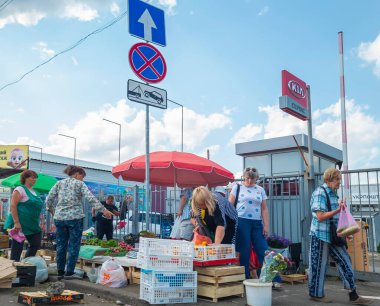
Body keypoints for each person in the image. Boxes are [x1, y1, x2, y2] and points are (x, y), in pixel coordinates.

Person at [308, 168, 373, 305]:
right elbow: (320, 216)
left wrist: (345, 233)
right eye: (337, 179)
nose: (339, 182)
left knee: (345, 262)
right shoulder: (320, 192)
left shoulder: (333, 194)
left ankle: (353, 295)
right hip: (320, 235)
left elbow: (336, 218)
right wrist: (338, 209)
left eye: (339, 180)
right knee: (318, 266)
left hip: (333, 236)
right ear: (328, 179)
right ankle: (316, 294)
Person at [46, 165, 113, 280]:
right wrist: (104, 210)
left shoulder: (59, 183)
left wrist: (53, 211)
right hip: (75, 218)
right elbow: (90, 198)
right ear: (77, 174)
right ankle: (69, 272)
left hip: (59, 218)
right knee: (74, 244)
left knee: (61, 245)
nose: (83, 179)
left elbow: (49, 199)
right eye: (82, 176)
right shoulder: (79, 184)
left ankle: (60, 271)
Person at [228, 167, 281, 285]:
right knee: (244, 250)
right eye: (247, 179)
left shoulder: (260, 189)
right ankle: (245, 278)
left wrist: (266, 225)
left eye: (253, 179)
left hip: (257, 222)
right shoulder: (237, 187)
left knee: (263, 249)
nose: (250, 181)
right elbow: (230, 206)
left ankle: (274, 279)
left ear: (257, 178)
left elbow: (264, 208)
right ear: (244, 177)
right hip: (242, 221)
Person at [4, 170, 43, 261]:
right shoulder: (20, 189)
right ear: (25, 178)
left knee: (36, 244)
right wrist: (16, 222)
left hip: (33, 224)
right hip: (21, 223)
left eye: (35, 178)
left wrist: (40, 222)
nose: (34, 179)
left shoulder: (36, 192)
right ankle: (14, 268)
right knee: (17, 247)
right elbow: (13, 205)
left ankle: (25, 263)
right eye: (32, 177)